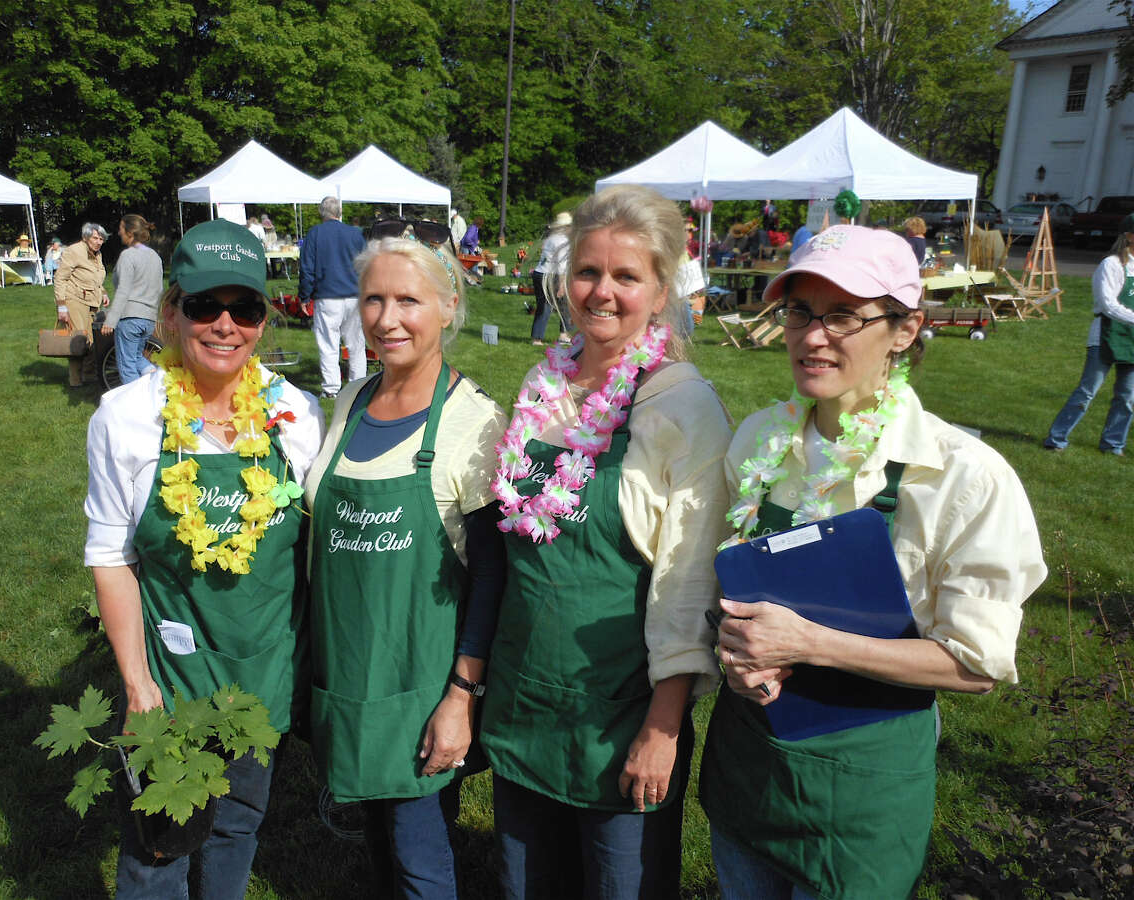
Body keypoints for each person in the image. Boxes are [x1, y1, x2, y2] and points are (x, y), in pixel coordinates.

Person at [700, 224, 1047, 900]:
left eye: (842, 317)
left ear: (904, 328)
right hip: (751, 770)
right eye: (801, 312)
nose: (812, 336)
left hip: (860, 796)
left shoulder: (958, 476)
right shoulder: (759, 442)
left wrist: (809, 643)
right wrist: (736, 648)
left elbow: (976, 664)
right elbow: (728, 585)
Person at [481, 184, 731, 899]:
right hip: (527, 696)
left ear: (660, 292)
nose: (602, 292)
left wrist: (663, 724)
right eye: (589, 272)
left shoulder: (683, 407)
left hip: (622, 713)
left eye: (627, 276)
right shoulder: (543, 383)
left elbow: (689, 580)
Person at [85, 218, 323, 898]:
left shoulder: (295, 415)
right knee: (158, 847)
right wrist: (136, 685)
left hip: (263, 676)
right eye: (204, 306)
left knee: (236, 826)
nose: (225, 325)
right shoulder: (127, 418)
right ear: (170, 311)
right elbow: (109, 555)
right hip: (172, 680)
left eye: (244, 308)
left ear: (263, 318)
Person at [305, 226, 508, 899]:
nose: (386, 320)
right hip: (350, 676)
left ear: (449, 307)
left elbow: (491, 579)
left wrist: (461, 696)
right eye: (372, 300)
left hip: (421, 687)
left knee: (420, 857)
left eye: (408, 302)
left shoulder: (474, 422)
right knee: (379, 849)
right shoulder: (350, 401)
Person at [1043, 215, 1134, 456]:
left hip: (1132, 340)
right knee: (1087, 391)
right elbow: (1107, 304)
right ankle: (1057, 438)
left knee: (1127, 397)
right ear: (1129, 236)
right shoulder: (1112, 265)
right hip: (1106, 335)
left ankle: (1113, 444)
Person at [301, 196, 368, 399]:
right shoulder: (355, 234)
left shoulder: (315, 234)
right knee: (356, 344)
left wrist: (304, 296)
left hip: (328, 296)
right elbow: (366, 265)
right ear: (339, 212)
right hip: (354, 295)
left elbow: (307, 268)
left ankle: (331, 389)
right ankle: (357, 386)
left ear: (322, 213)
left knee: (328, 344)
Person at [102, 214, 164, 384]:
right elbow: (159, 289)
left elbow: (123, 290)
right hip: (149, 319)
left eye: (121, 228)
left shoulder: (128, 255)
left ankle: (135, 406)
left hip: (130, 318)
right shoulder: (155, 257)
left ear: (130, 232)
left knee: (127, 366)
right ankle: (155, 379)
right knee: (137, 357)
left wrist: (111, 320)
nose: (119, 232)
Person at [55, 223, 110, 387]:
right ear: (86, 237)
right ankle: (75, 380)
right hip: (75, 301)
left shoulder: (97, 254)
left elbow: (95, 278)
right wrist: (62, 306)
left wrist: (104, 293)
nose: (99, 242)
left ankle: (89, 375)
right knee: (78, 340)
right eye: (95, 238)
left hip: (93, 302)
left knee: (93, 341)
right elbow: (60, 279)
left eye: (101, 239)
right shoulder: (74, 251)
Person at [530, 211, 571, 346]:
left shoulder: (550, 239)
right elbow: (562, 265)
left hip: (539, 273)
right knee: (557, 305)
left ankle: (538, 337)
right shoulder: (563, 241)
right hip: (550, 275)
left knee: (545, 306)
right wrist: (562, 285)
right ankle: (562, 334)